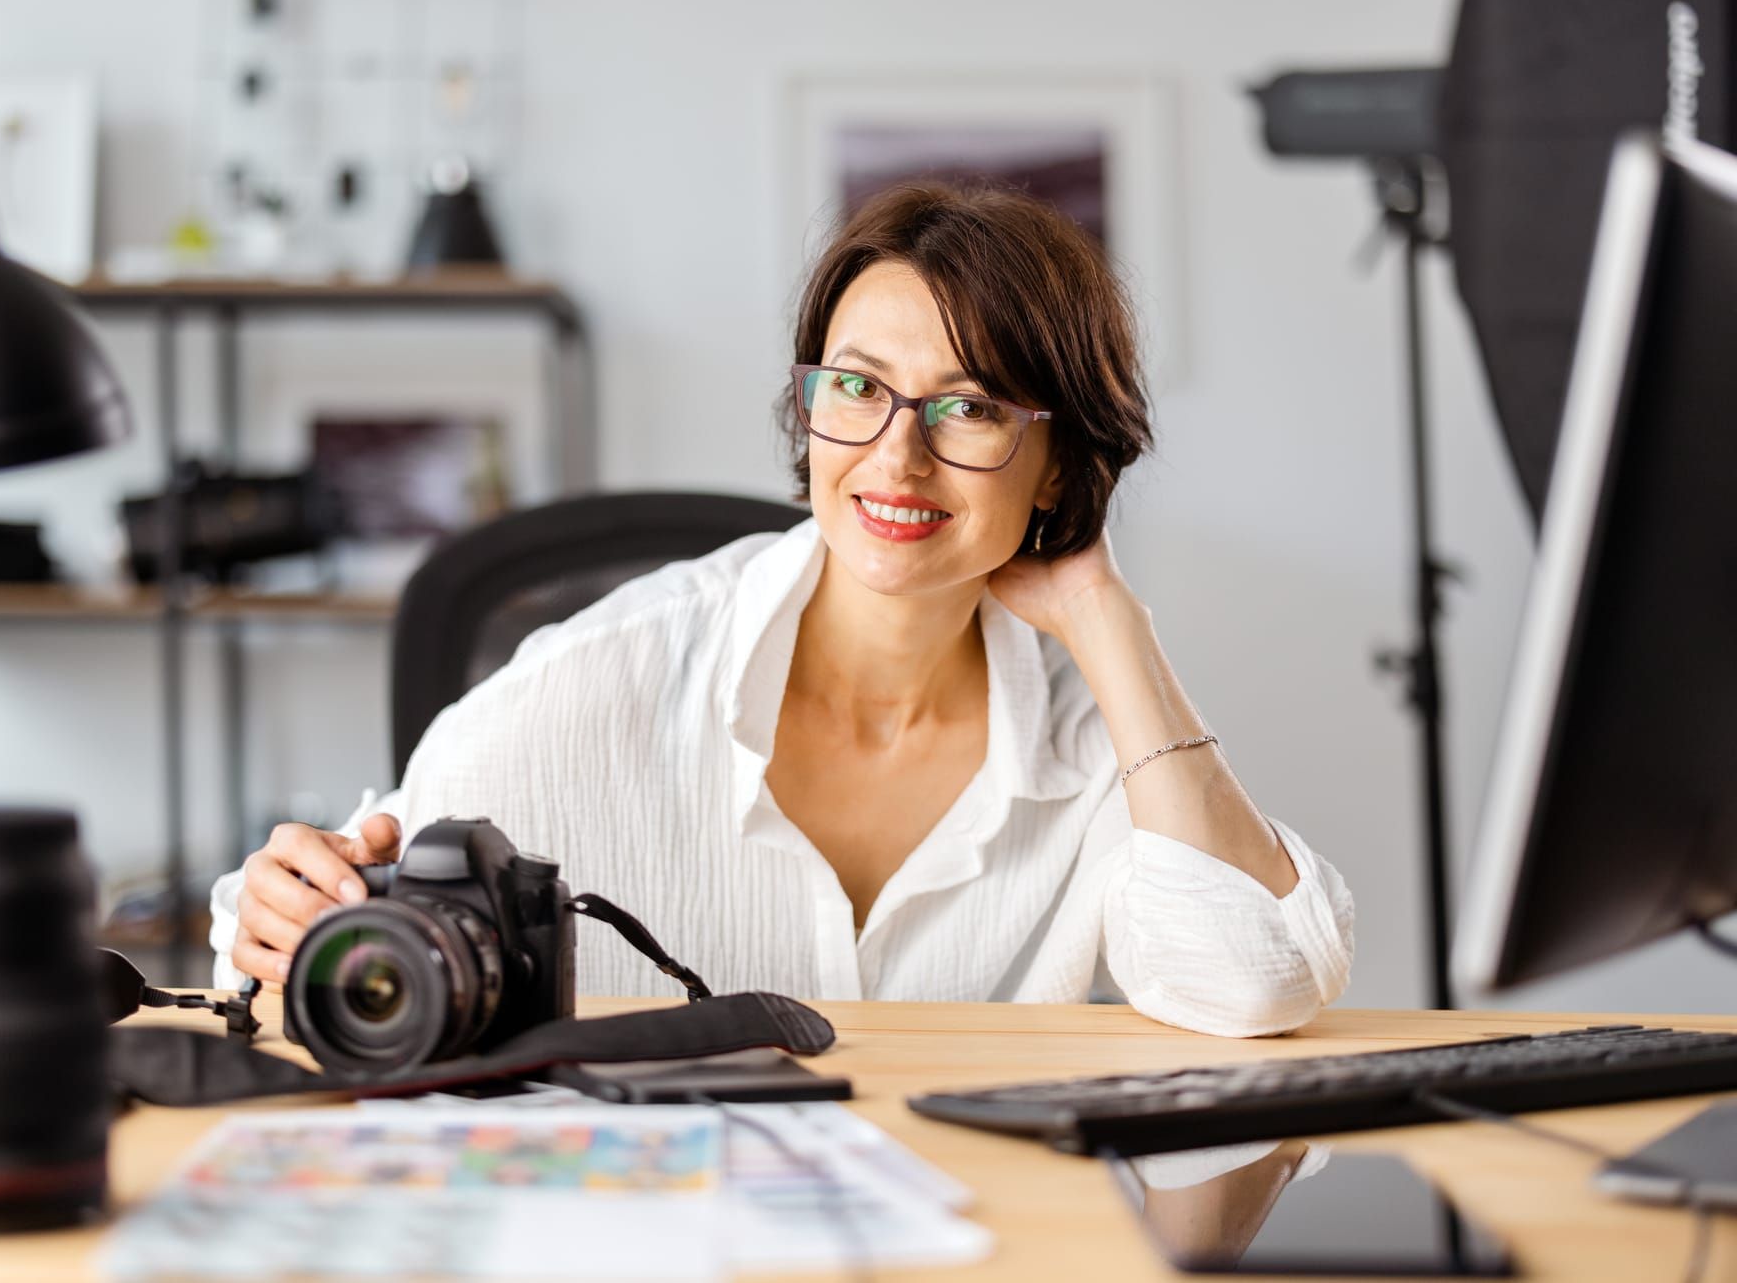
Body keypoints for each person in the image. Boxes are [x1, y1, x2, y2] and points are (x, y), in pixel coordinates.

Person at [209, 182, 1354, 1036]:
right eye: (854, 388)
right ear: (807, 412)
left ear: (1057, 465)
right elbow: (313, 945)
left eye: (968, 407)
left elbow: (1252, 981)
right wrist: (273, 915)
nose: (895, 458)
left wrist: (1110, 618)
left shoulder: (1092, 734)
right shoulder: (587, 684)